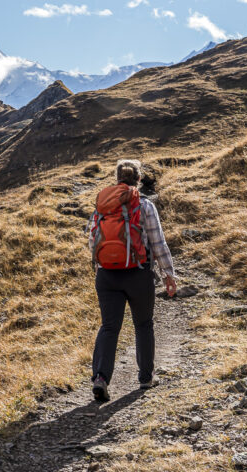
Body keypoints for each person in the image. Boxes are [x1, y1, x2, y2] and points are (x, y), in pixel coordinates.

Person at [87, 159, 176, 402]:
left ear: (116, 180)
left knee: (109, 326)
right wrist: (169, 274)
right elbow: (158, 242)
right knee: (143, 324)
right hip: (138, 273)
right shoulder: (144, 205)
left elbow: (92, 238)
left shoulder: (102, 205)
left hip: (106, 275)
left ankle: (100, 378)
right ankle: (146, 378)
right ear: (138, 179)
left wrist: (100, 265)